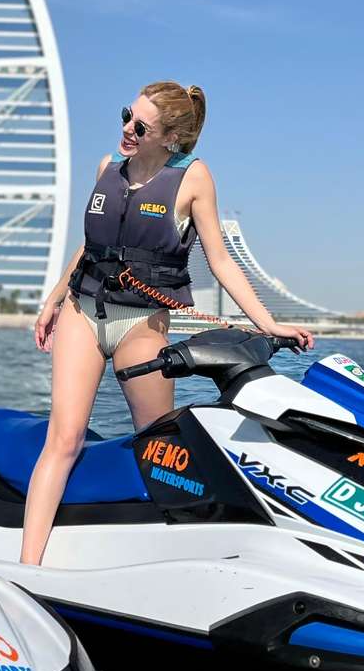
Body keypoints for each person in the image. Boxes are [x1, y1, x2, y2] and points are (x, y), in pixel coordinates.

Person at [21, 81, 315, 565]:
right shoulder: (107, 167)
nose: (127, 130)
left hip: (142, 324)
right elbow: (91, 246)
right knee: (64, 439)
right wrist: (53, 301)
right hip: (82, 312)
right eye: (126, 116)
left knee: (160, 449)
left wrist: (268, 324)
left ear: (170, 137)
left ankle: (174, 560)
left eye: (140, 127)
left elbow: (221, 260)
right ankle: (28, 566)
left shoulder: (193, 178)